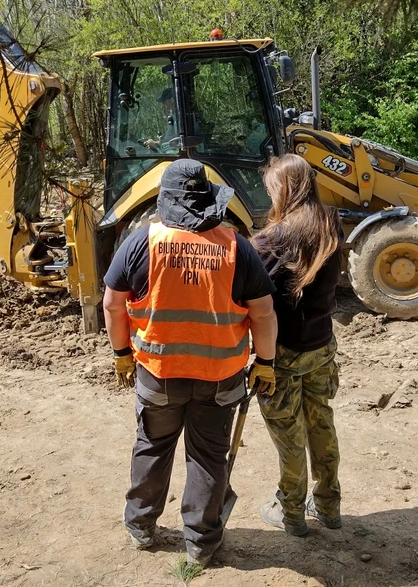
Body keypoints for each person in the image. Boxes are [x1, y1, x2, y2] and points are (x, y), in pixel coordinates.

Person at [103, 159, 278, 567]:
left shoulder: (140, 241)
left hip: (158, 375)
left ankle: (141, 528)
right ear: (208, 201)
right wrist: (265, 361)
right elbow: (265, 313)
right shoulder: (237, 246)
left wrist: (121, 354)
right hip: (220, 379)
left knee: (152, 446)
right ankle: (201, 543)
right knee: (208, 456)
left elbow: (112, 304)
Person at [250, 153, 344, 536]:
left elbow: (253, 303)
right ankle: (329, 508)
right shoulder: (331, 224)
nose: (269, 197)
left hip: (282, 353)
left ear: (285, 189)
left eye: (271, 189)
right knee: (321, 424)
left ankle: (291, 513)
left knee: (289, 435)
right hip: (322, 344)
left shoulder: (270, 241)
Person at [142, 87, 178, 152]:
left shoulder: (179, 119)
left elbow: (178, 142)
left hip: (173, 153)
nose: (163, 105)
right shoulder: (174, 117)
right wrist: (161, 140)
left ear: (172, 100)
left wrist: (155, 143)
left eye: (164, 101)